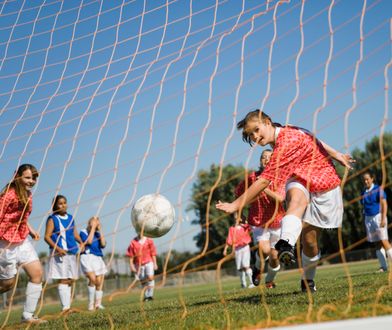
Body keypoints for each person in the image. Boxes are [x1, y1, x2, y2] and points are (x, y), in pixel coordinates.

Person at [216, 109, 354, 292]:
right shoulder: (283, 131)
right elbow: (311, 136)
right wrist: (337, 154)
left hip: (324, 181)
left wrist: (235, 205)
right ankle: (286, 243)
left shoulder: (285, 143)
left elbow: (264, 181)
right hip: (299, 178)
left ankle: (308, 279)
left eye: (257, 130)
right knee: (295, 200)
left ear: (268, 121)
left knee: (310, 242)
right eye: (251, 135)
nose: (255, 137)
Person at [0, 164, 46, 324]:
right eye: (27, 177)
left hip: (22, 240)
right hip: (5, 243)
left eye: (33, 178)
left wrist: (30, 230)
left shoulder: (28, 194)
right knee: (7, 285)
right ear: (17, 176)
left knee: (37, 273)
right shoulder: (8, 195)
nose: (31, 181)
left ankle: (27, 316)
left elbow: (21, 218)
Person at [235, 149, 284, 289]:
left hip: (278, 221)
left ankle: (269, 280)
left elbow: (280, 198)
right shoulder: (251, 178)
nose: (266, 160)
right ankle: (257, 269)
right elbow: (238, 193)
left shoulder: (280, 177)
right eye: (263, 157)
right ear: (260, 160)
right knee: (264, 250)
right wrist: (240, 213)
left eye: (269, 157)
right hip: (258, 221)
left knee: (274, 257)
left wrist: (263, 187)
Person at [44, 195, 84, 312]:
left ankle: (68, 306)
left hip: (72, 252)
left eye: (65, 202)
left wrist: (81, 243)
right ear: (55, 206)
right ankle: (65, 308)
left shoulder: (71, 217)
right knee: (62, 279)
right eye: (60, 203)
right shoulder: (52, 219)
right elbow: (47, 237)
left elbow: (75, 234)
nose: (63, 205)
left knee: (71, 279)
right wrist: (58, 249)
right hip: (60, 253)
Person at [360, 171, 392, 272]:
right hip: (368, 219)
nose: (366, 181)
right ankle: (383, 266)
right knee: (377, 243)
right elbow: (363, 207)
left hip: (378, 217)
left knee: (384, 240)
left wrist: (383, 218)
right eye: (364, 180)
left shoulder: (378, 189)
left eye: (367, 179)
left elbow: (384, 204)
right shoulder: (363, 192)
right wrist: (364, 220)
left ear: (372, 179)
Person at [80, 216, 107, 311]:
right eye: (94, 222)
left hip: (98, 258)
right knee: (92, 279)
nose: (96, 223)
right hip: (87, 257)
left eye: (97, 222)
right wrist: (92, 229)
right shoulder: (83, 232)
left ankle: (98, 304)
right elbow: (89, 242)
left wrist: (100, 230)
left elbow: (103, 244)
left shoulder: (98, 233)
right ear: (89, 223)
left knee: (99, 282)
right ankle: (90, 305)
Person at [223, 217, 255, 288]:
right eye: (235, 217)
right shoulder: (232, 229)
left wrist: (245, 222)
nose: (236, 219)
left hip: (245, 247)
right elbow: (229, 240)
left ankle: (251, 282)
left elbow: (252, 227)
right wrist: (225, 249)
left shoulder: (245, 226)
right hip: (237, 249)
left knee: (246, 265)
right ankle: (243, 284)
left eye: (238, 217)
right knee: (239, 267)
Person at [126, 233, 158, 301]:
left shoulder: (149, 240)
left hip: (149, 261)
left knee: (150, 277)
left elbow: (153, 253)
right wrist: (131, 265)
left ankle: (150, 295)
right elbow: (131, 256)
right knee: (143, 280)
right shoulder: (133, 242)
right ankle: (146, 296)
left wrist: (155, 263)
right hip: (139, 264)